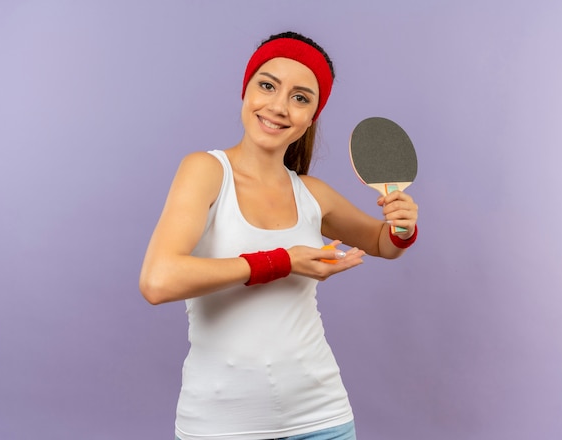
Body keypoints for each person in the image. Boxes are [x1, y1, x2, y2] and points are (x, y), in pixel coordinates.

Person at [139, 31, 418, 440]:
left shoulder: (312, 193)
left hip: (323, 418)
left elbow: (381, 243)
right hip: (222, 426)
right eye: (267, 85)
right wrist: (283, 261)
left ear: (311, 117)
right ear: (246, 90)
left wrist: (402, 226)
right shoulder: (206, 171)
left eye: (300, 97)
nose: (278, 106)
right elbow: (158, 281)